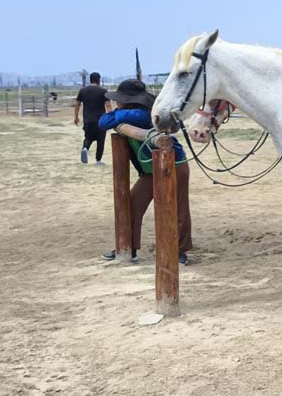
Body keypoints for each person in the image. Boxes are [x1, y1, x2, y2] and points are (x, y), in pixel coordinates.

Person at [98, 78, 193, 265]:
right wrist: (119, 115)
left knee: (177, 208)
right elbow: (105, 121)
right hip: (151, 169)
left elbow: (104, 121)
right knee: (132, 203)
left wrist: (118, 115)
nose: (117, 102)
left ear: (128, 100)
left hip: (174, 164)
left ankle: (180, 250)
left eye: (120, 99)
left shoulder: (140, 115)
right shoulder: (131, 113)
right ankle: (129, 246)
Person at [74, 72, 109, 166]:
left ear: (90, 79)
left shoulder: (83, 91)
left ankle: (85, 148)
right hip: (101, 120)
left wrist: (76, 117)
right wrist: (110, 116)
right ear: (99, 80)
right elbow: (108, 105)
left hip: (88, 120)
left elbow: (77, 104)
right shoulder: (103, 91)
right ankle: (98, 160)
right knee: (100, 140)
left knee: (88, 138)